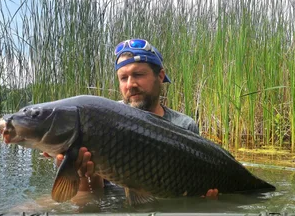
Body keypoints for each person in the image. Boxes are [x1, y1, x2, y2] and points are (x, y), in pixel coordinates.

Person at [46, 38, 218, 198]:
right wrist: (86, 176)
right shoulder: (102, 119)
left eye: (138, 75)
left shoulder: (184, 125)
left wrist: (204, 201)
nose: (130, 84)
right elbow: (92, 198)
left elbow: (189, 193)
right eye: (123, 78)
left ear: (160, 76)